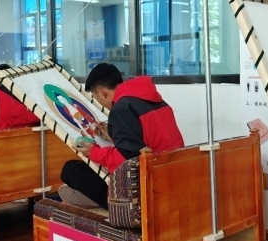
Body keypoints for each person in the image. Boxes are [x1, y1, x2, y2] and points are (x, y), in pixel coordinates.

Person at [59, 63, 184, 209]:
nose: (102, 104)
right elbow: (148, 141)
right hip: (172, 176)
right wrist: (114, 135)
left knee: (71, 169)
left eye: (97, 98)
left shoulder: (120, 109)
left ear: (102, 93)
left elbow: (128, 163)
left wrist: (93, 152)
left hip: (148, 189)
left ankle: (108, 202)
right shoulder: (158, 101)